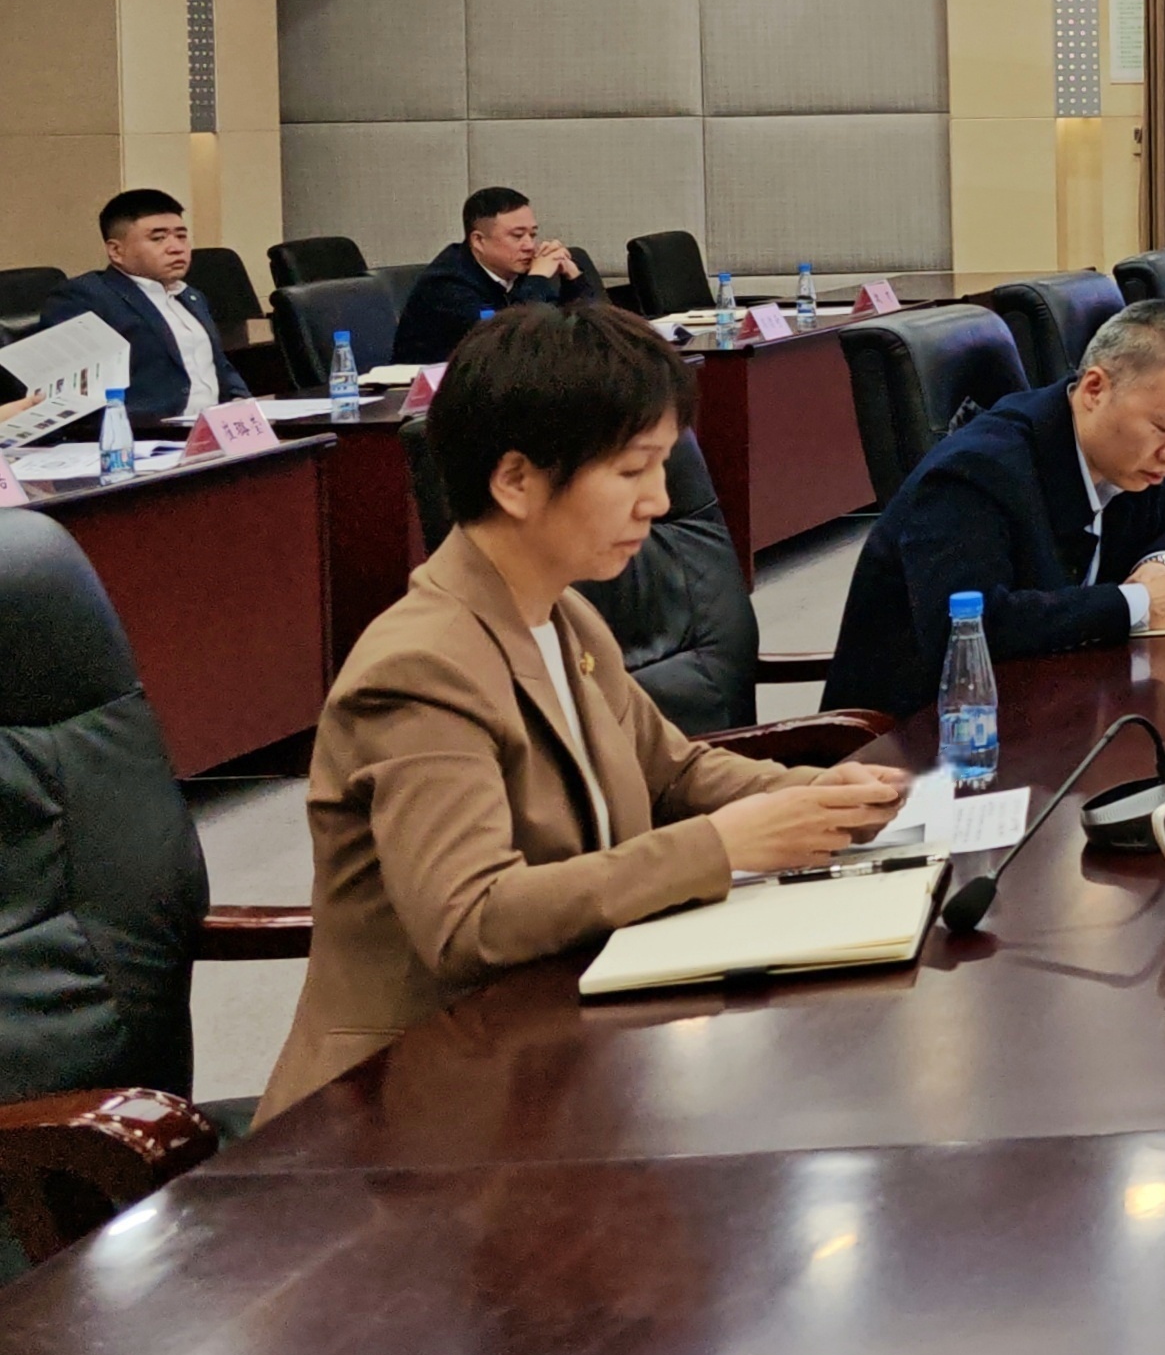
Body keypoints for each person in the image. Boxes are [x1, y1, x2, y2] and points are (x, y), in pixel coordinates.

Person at [261, 304, 903, 1116]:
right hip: (409, 1099)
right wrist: (719, 846)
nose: (659, 501)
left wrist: (813, 797)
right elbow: (469, 919)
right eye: (633, 470)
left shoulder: (562, 613)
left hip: (555, 1040)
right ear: (516, 480)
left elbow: (673, 771)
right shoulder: (421, 667)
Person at [822, 302, 1165, 719]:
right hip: (921, 733)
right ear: (1095, 389)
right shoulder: (976, 470)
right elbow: (972, 628)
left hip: (1058, 703)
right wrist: (1138, 603)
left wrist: (1160, 564)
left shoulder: (1122, 457)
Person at [38, 187, 229, 431]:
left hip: (215, 428)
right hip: (147, 435)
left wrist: (242, 403)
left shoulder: (191, 296)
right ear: (116, 251)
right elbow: (71, 394)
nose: (176, 247)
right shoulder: (85, 297)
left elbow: (220, 367)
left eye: (181, 236)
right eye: (158, 238)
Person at [393, 185, 600, 365]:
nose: (529, 245)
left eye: (532, 234)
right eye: (517, 236)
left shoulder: (521, 271)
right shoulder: (446, 284)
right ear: (478, 241)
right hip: (434, 392)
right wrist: (537, 279)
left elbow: (596, 333)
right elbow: (506, 343)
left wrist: (574, 279)